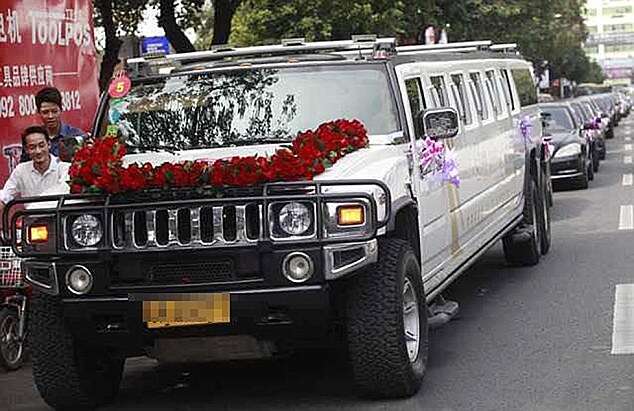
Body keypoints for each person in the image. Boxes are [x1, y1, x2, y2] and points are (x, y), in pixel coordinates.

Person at [1, 126, 70, 214]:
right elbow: (5, 196)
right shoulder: (21, 170)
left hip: (57, 220)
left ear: (49, 145)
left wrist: (33, 206)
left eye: (41, 146)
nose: (38, 151)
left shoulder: (64, 167)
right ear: (26, 150)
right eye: (32, 147)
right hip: (31, 222)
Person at [20, 87, 85, 162]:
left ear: (61, 109)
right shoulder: (33, 139)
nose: (50, 116)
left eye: (54, 111)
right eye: (45, 112)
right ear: (38, 112)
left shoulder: (76, 135)